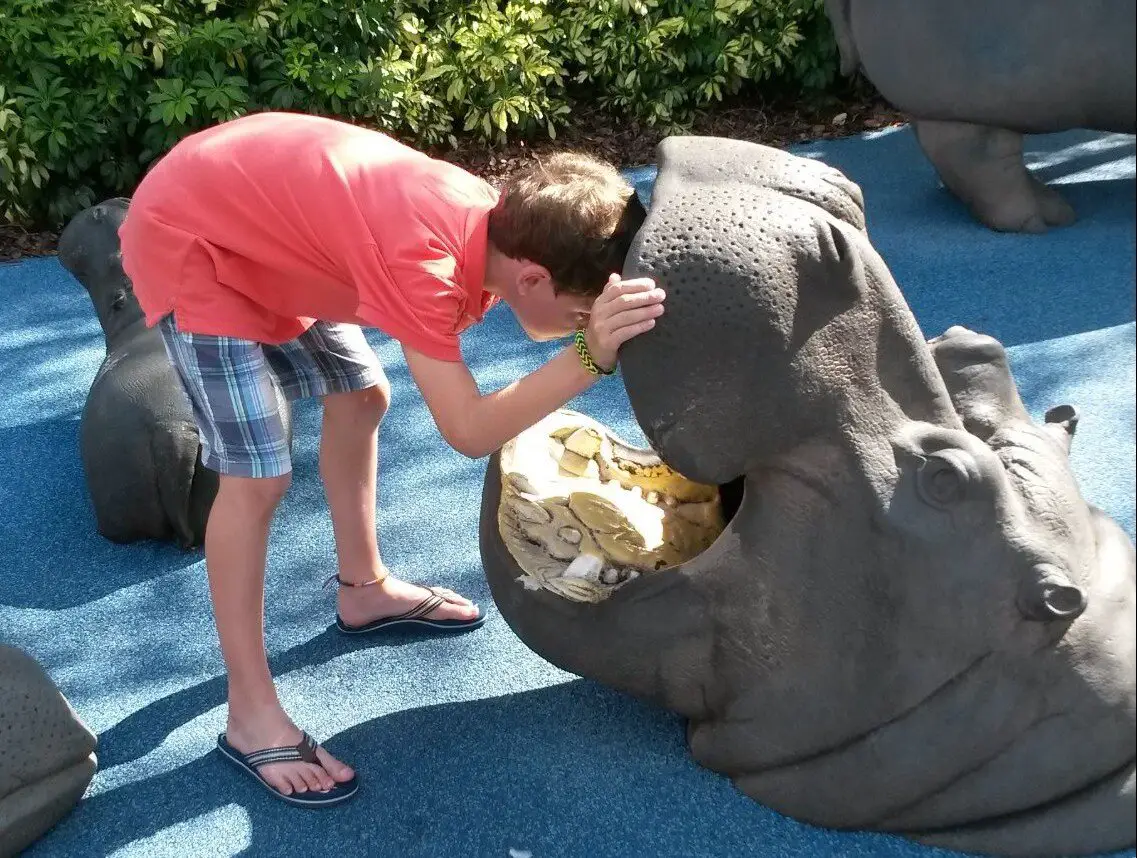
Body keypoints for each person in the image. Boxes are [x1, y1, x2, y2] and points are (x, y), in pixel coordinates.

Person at [117, 110, 665, 807]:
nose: (582, 325)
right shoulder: (426, 263)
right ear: (530, 277)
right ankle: (250, 716)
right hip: (188, 236)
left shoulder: (494, 222)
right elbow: (467, 431)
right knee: (257, 478)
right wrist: (590, 356)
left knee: (362, 394)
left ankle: (363, 590)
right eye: (582, 312)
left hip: (259, 223)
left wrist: (589, 327)